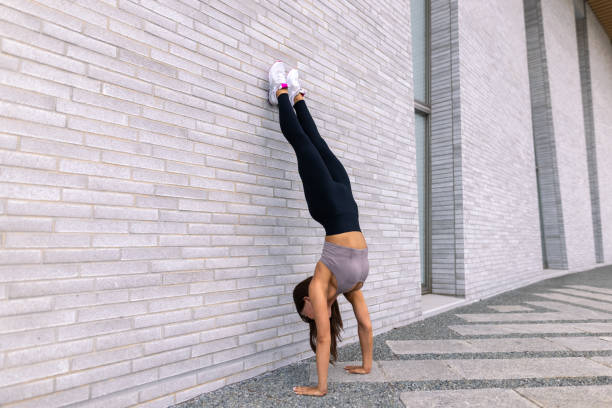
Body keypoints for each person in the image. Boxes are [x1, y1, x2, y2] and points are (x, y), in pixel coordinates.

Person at [267, 61, 373, 397]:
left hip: (343, 203)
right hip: (334, 203)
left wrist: (364, 365)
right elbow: (340, 332)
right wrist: (321, 387)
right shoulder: (336, 286)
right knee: (309, 141)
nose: (309, 314)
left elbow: (361, 326)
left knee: (307, 142)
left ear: (306, 302)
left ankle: (285, 89)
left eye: (305, 311)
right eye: (307, 312)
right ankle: (291, 93)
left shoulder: (341, 284)